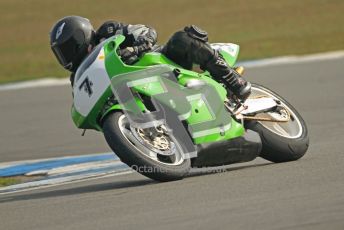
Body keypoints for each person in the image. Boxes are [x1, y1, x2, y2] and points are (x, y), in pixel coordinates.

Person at [50, 16, 251, 101]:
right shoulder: (78, 78)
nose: (66, 56)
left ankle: (233, 81)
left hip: (157, 62)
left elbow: (145, 31)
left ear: (81, 36)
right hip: (133, 90)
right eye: (61, 52)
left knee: (181, 39)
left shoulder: (108, 31)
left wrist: (139, 45)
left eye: (67, 48)